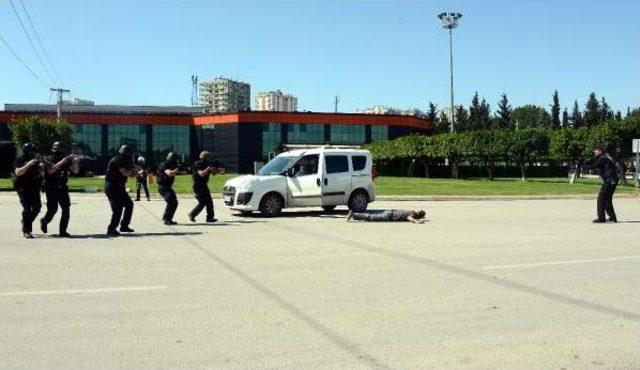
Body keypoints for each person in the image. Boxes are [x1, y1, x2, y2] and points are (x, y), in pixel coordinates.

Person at [40, 141, 80, 237]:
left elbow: (76, 171)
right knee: (53, 209)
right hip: (51, 187)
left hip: (62, 187)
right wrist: (63, 161)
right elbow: (50, 170)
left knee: (66, 209)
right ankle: (44, 221)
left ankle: (63, 231)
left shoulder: (67, 160)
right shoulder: (48, 159)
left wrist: (74, 161)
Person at [105, 145, 139, 236]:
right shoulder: (118, 160)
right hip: (112, 187)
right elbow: (124, 172)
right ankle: (111, 229)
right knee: (117, 209)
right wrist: (133, 169)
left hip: (120, 187)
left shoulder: (124, 160)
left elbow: (129, 175)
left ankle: (124, 226)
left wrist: (136, 172)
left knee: (129, 204)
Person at [13, 142, 44, 238]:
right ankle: (27, 231)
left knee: (37, 207)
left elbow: (42, 174)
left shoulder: (37, 160)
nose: (35, 153)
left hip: (33, 186)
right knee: (27, 208)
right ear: (29, 152)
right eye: (33, 151)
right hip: (22, 186)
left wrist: (41, 166)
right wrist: (29, 164)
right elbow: (18, 172)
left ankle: (26, 221)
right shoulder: (20, 159)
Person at [583, 146, 620, 223]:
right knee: (607, 199)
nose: (595, 154)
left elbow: (594, 166)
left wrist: (584, 166)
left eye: (596, 152)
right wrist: (587, 161)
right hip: (612, 179)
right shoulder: (606, 156)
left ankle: (601, 218)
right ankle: (612, 217)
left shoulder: (603, 158)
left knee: (601, 198)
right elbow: (594, 162)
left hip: (610, 179)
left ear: (600, 151)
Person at [157, 152, 186, 225]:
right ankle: (167, 219)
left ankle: (166, 218)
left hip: (167, 187)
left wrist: (184, 169)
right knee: (172, 202)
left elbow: (183, 172)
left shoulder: (171, 164)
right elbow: (169, 173)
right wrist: (177, 169)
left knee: (173, 202)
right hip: (163, 187)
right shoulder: (165, 164)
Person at [188, 151, 218, 223]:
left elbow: (213, 173)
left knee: (209, 202)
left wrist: (215, 170)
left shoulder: (207, 164)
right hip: (198, 185)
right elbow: (201, 174)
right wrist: (208, 168)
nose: (210, 159)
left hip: (204, 185)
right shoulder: (198, 163)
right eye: (209, 157)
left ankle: (210, 218)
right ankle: (192, 214)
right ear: (205, 158)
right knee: (202, 202)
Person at [347, 209, 426, 224]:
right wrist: (417, 222)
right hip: (389, 216)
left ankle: (355, 216)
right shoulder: (412, 214)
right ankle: (354, 214)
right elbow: (410, 219)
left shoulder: (411, 211)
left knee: (372, 216)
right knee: (371, 218)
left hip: (390, 212)